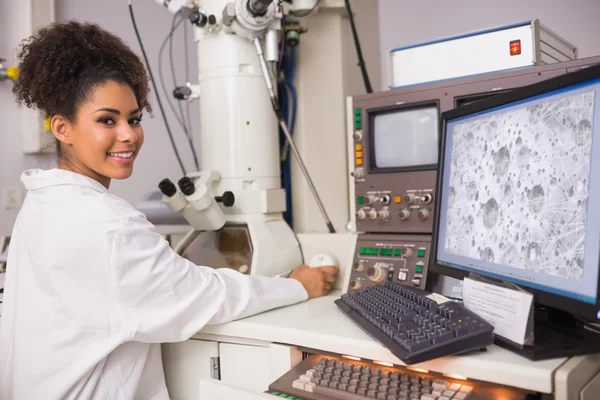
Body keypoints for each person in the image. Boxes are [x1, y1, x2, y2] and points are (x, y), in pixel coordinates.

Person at [0, 21, 339, 400]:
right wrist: (296, 285)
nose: (128, 134)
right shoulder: (105, 224)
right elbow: (202, 295)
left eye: (134, 118)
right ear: (62, 128)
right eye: (107, 120)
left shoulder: (46, 202)